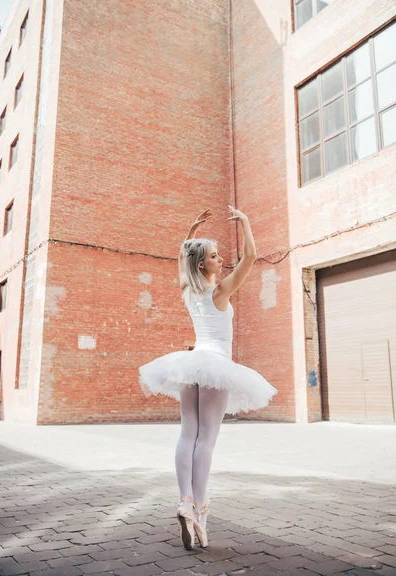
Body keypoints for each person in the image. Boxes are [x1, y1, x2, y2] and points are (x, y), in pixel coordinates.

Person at [139, 205, 277, 550]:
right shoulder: (220, 292)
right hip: (215, 363)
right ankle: (198, 511)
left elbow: (181, 261)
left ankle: (185, 501)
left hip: (191, 364)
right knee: (207, 439)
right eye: (215, 257)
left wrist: (190, 232)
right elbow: (251, 257)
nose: (221, 260)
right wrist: (245, 221)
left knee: (188, 433)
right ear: (203, 265)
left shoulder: (190, 291)